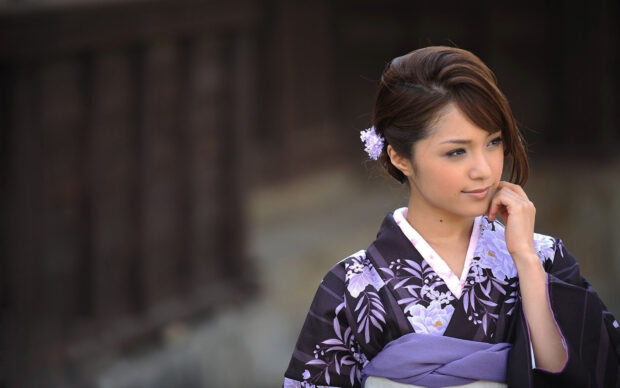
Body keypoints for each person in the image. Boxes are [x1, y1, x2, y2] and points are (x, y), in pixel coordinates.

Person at [283, 46, 620, 388]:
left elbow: (593, 375)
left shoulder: (545, 257)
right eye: (457, 151)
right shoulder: (352, 286)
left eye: (493, 142)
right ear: (400, 157)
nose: (484, 169)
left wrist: (527, 264)